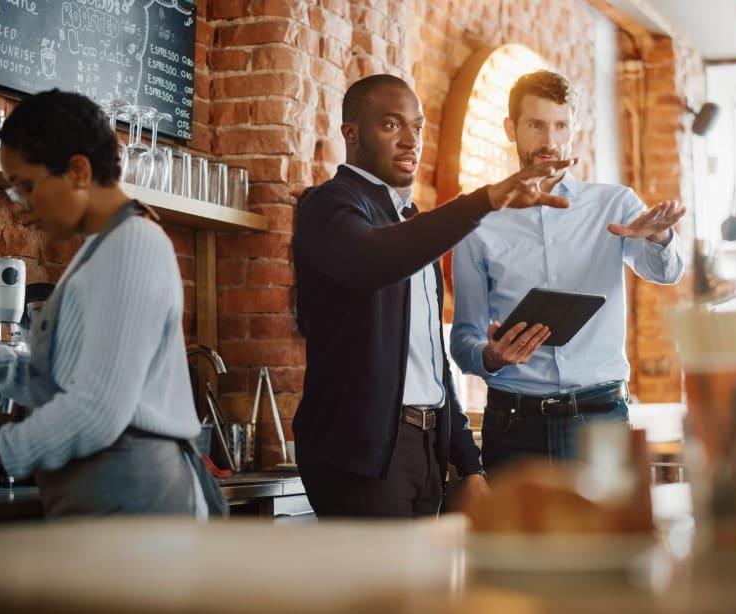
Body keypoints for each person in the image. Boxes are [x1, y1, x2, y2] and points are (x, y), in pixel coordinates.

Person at [292, 74, 576, 518]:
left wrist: (468, 462)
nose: (410, 141)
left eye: (418, 128)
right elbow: (372, 259)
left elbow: (430, 360)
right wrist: (484, 200)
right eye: (391, 125)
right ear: (351, 133)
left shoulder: (410, 222)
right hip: (361, 459)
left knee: (425, 588)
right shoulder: (328, 206)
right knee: (384, 589)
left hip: (425, 452)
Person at [0, 89, 225, 518]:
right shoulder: (102, 248)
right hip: (107, 497)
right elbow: (71, 377)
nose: (21, 208)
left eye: (26, 187)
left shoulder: (134, 245)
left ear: (78, 170)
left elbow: (96, 410)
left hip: (136, 497)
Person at [450, 70, 686, 472]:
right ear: (511, 129)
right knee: (515, 538)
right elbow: (463, 338)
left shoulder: (614, 204)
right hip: (514, 425)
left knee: (609, 537)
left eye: (560, 125)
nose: (550, 141)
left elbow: (667, 272)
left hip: (601, 420)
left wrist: (660, 236)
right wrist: (489, 356)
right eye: (536, 125)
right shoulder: (480, 219)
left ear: (574, 128)